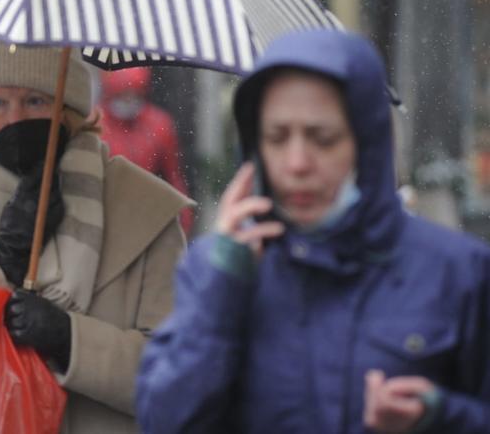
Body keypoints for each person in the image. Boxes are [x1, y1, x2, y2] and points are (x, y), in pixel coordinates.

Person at [135, 29, 490, 433]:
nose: (298, 162)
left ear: (366, 143)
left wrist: (440, 417)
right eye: (277, 138)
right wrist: (221, 298)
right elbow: (163, 422)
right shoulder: (213, 269)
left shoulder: (457, 272)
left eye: (323, 139)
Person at [0, 35, 192, 433]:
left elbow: (177, 380)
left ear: (69, 111)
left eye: (35, 101)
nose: (15, 119)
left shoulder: (143, 209)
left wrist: (69, 340)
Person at [99, 68, 192, 234]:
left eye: (134, 95)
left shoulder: (159, 124)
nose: (128, 101)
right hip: (103, 211)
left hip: (146, 212)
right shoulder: (94, 124)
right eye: (123, 95)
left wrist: (183, 221)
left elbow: (174, 178)